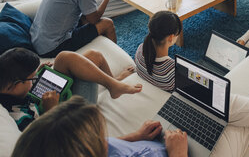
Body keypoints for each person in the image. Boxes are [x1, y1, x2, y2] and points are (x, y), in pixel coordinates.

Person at [11, 60, 249, 157]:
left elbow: (106, 145)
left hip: (160, 142)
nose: (105, 137)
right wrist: (177, 154)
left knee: (210, 108)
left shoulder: (80, 148)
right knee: (232, 123)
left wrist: (135, 136)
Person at [0, 47, 142, 131]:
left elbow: (23, 88)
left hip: (43, 102)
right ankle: (113, 84)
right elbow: (47, 142)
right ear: (15, 84)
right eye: (32, 79)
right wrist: (51, 110)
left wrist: (36, 74)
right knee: (92, 60)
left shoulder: (7, 84)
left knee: (71, 57)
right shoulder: (18, 118)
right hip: (68, 122)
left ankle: (113, 84)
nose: (34, 80)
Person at [135, 11, 249, 92]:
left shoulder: (140, 50)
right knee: (238, 63)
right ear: (171, 38)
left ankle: (242, 43)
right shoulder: (173, 70)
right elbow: (204, 87)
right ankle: (246, 47)